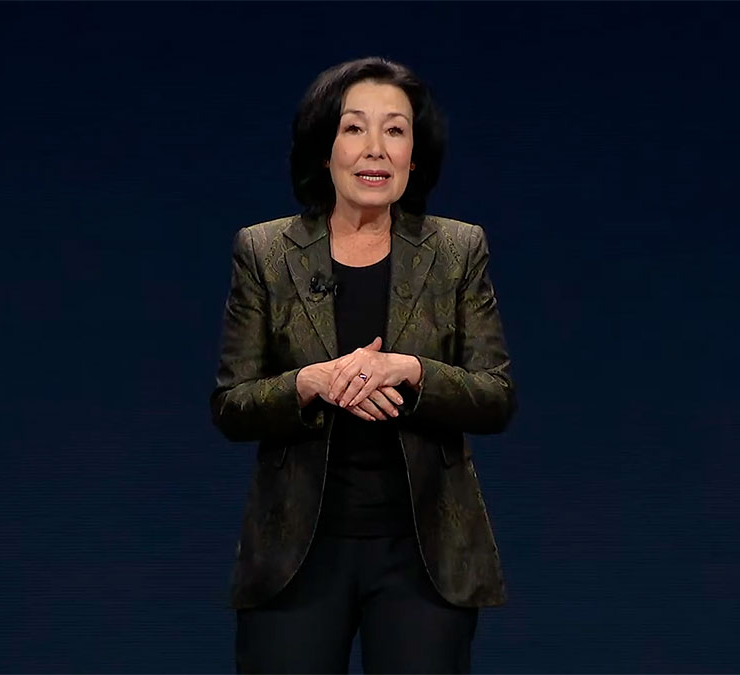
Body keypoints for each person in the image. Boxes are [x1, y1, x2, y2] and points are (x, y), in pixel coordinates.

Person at [210, 56, 515, 674]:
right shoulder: (265, 251)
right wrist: (309, 383)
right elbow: (232, 404)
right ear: (324, 149)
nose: (376, 148)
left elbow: (495, 395)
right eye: (354, 127)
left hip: (424, 555)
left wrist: (412, 371)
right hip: (296, 553)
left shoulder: (457, 249)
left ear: (414, 155)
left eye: (395, 130)